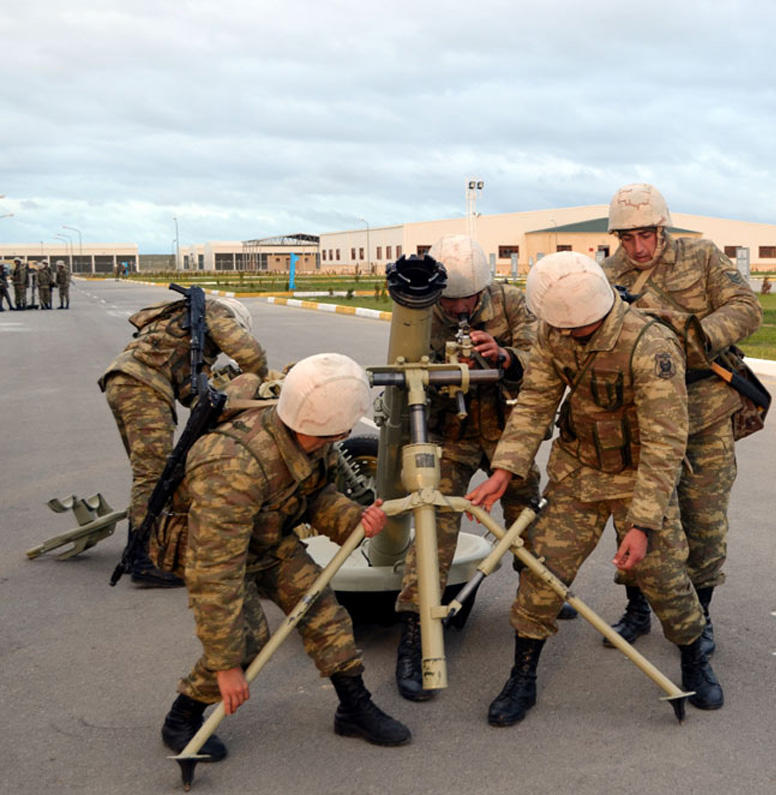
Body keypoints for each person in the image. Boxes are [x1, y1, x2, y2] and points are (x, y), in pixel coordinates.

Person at [466, 252, 723, 727]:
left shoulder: (651, 345)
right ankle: (523, 675)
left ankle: (694, 660)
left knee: (665, 579)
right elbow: (536, 403)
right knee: (542, 573)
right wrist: (504, 471)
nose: (569, 336)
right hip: (578, 472)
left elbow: (666, 442)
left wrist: (643, 523)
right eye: (561, 328)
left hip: (639, 477)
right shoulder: (551, 332)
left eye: (577, 329)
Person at [154, 353, 411, 761]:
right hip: (218, 554)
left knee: (324, 612)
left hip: (269, 539)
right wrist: (225, 665)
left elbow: (313, 494)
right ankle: (182, 716)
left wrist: (352, 517)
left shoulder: (313, 433)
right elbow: (214, 572)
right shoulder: (232, 465)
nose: (340, 437)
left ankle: (353, 707)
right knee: (245, 644)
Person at [600, 183, 762, 656]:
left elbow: (747, 309)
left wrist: (695, 338)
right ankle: (637, 608)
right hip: (641, 416)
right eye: (627, 238)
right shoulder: (607, 274)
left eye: (646, 234)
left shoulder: (702, 257)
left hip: (704, 408)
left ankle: (700, 615)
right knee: (635, 516)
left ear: (662, 227)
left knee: (703, 519)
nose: (639, 247)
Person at [392, 234, 545, 703]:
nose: (459, 309)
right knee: (434, 525)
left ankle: (542, 593)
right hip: (449, 436)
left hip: (504, 433)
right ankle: (417, 635)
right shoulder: (422, 312)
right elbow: (403, 365)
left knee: (528, 516)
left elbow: (541, 362)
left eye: (468, 300)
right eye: (451, 300)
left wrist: (505, 356)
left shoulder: (514, 304)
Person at [99, 292, 268, 587]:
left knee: (153, 474)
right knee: (152, 477)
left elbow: (194, 393)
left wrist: (226, 393)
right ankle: (144, 560)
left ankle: (137, 549)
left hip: (127, 381)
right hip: (141, 385)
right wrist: (258, 380)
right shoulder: (216, 311)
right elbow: (249, 353)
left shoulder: (191, 337)